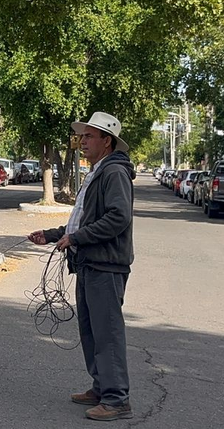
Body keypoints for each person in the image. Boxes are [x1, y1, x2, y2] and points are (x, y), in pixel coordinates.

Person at [29, 112, 136, 422]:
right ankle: (102, 387)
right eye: (83, 135)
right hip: (90, 263)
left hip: (106, 265)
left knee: (107, 333)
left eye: (90, 136)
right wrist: (52, 235)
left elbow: (118, 218)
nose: (83, 141)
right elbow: (83, 219)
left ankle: (117, 399)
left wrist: (77, 237)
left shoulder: (114, 172)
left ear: (107, 141)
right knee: (90, 331)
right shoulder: (99, 171)